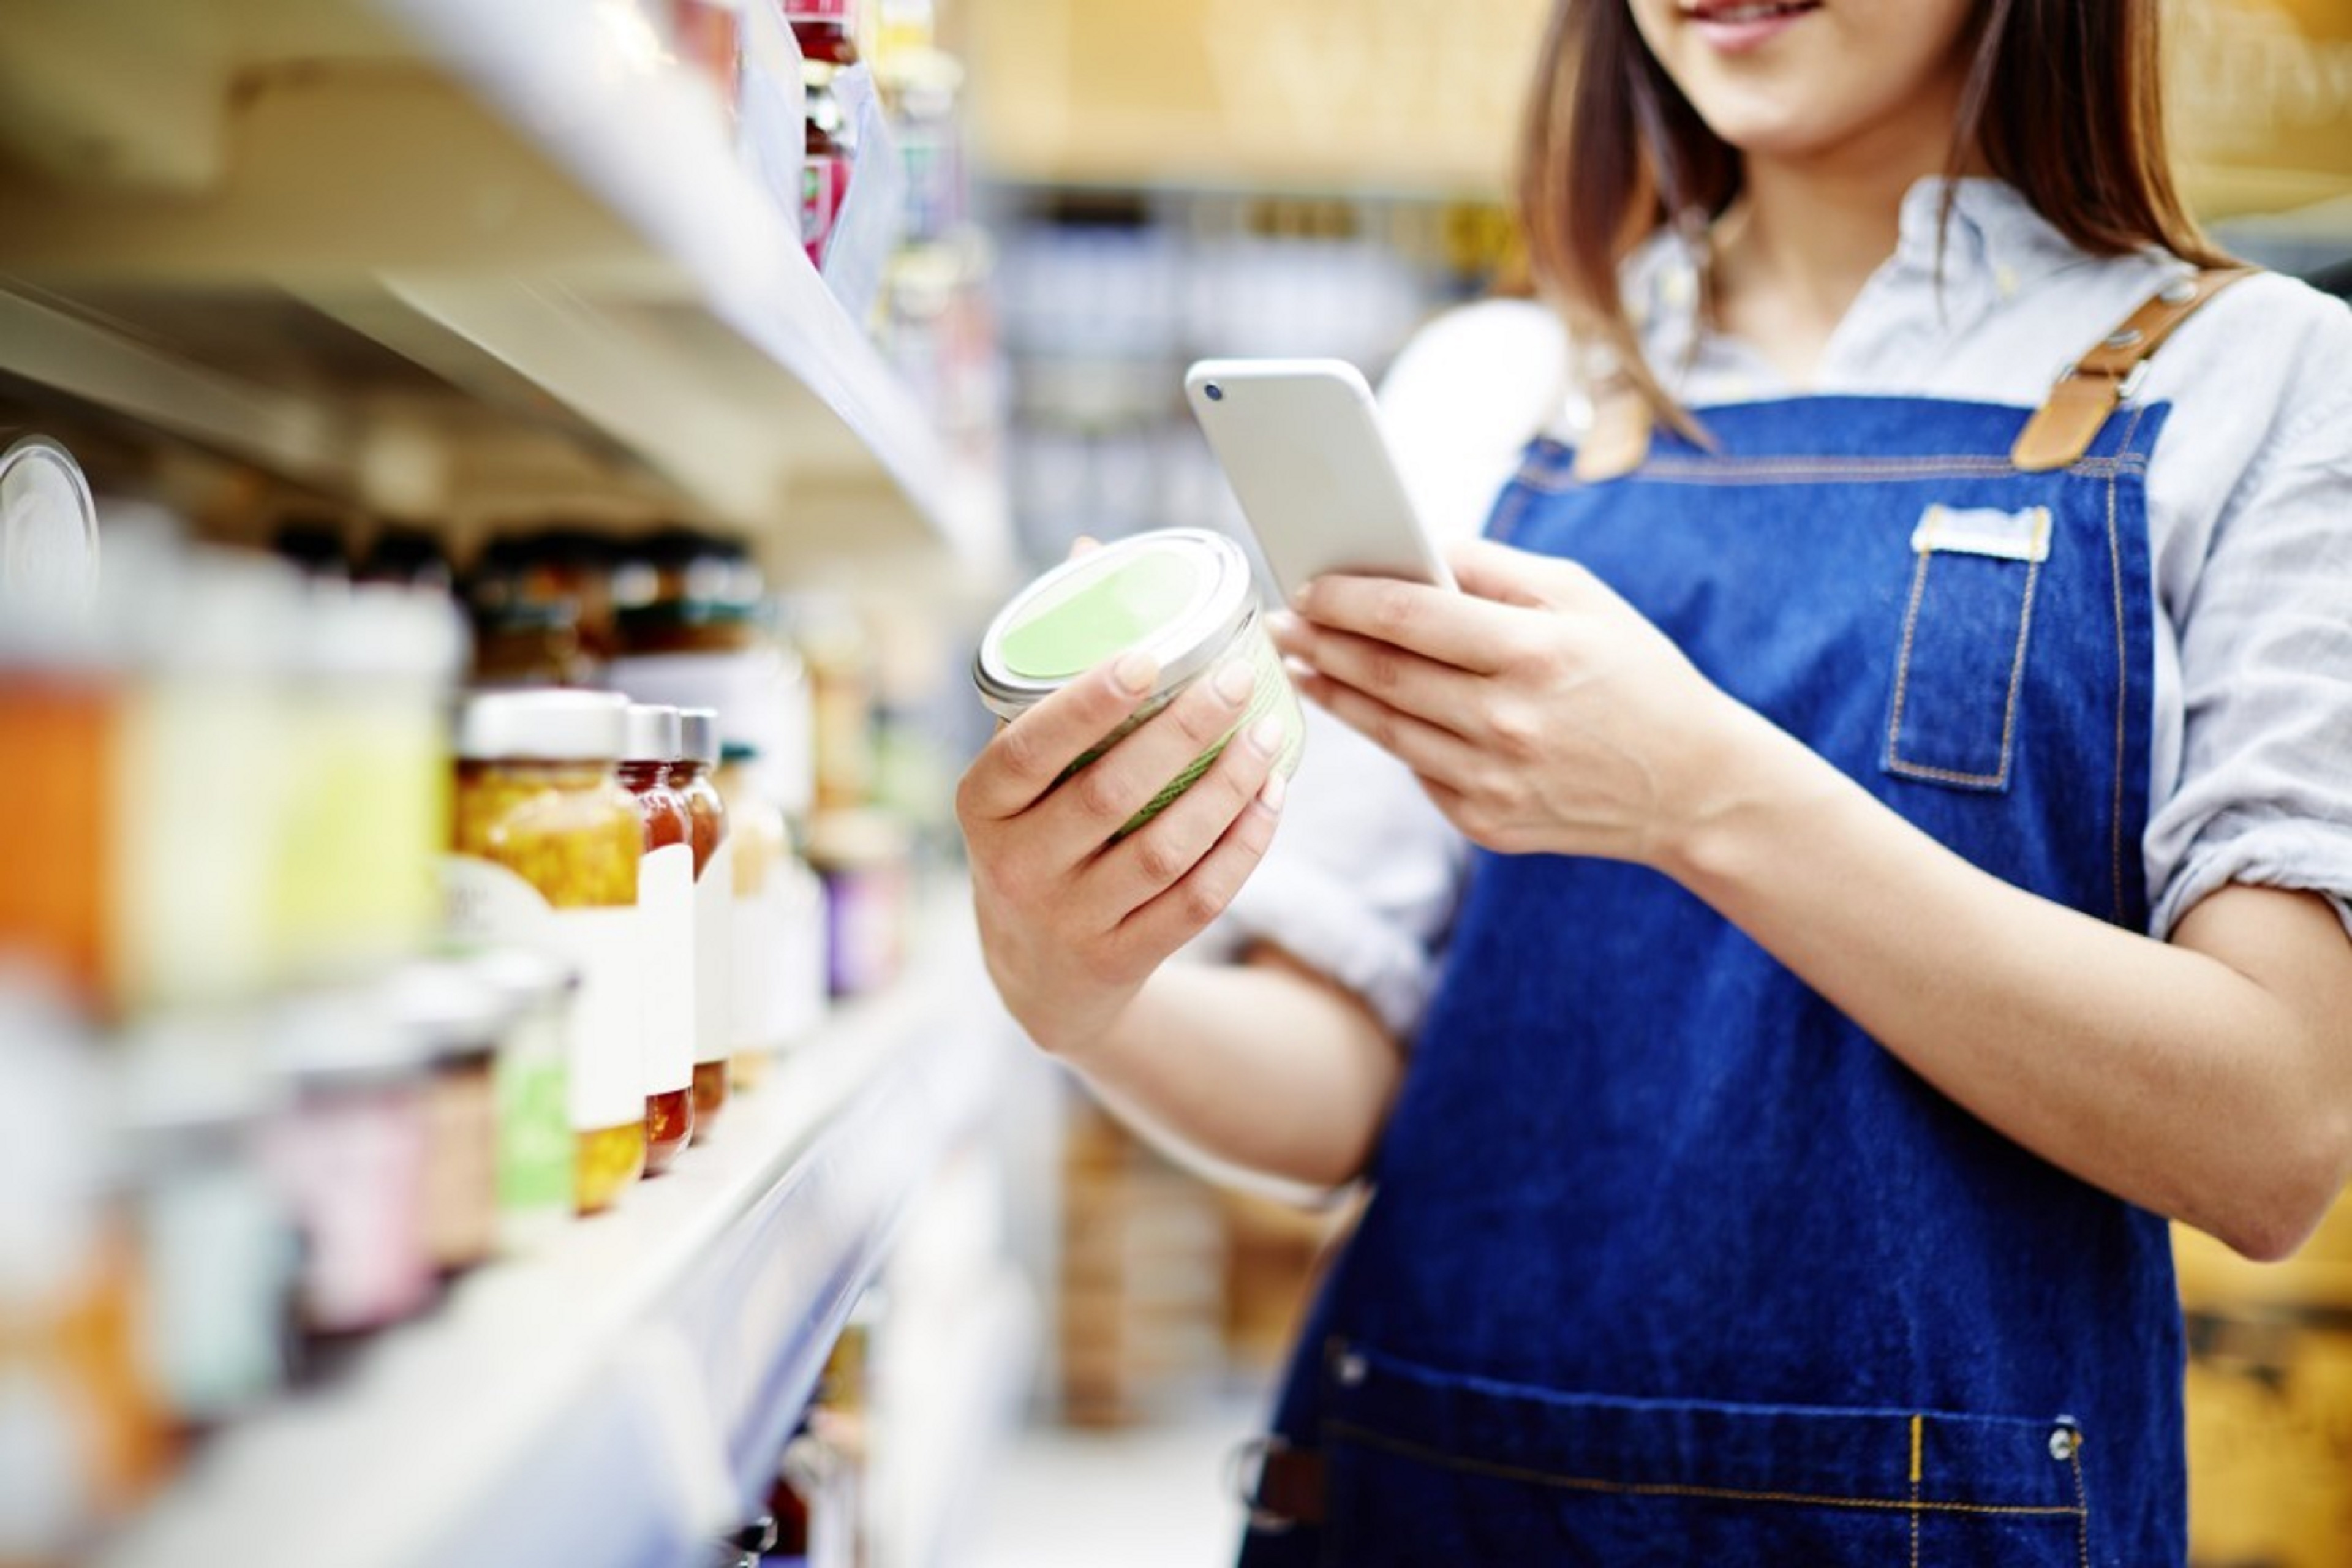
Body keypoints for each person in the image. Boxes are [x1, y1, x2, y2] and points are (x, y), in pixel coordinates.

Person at [954, 0, 2352, 1561]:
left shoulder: (2262, 382)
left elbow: (2270, 1131)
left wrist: (1699, 796)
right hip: (1437, 1494)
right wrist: (1081, 989)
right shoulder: (1492, 389)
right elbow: (1348, 1082)